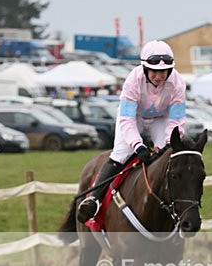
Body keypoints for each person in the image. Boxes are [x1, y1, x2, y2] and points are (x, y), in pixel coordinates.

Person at [77, 40, 186, 223]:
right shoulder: (133, 79)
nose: (159, 76)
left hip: (161, 118)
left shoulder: (178, 83)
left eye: (163, 71)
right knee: (120, 154)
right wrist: (138, 146)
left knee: (169, 155)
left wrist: (168, 144)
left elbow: (176, 120)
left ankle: (176, 205)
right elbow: (127, 119)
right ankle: (93, 199)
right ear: (144, 68)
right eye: (154, 71)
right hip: (133, 117)